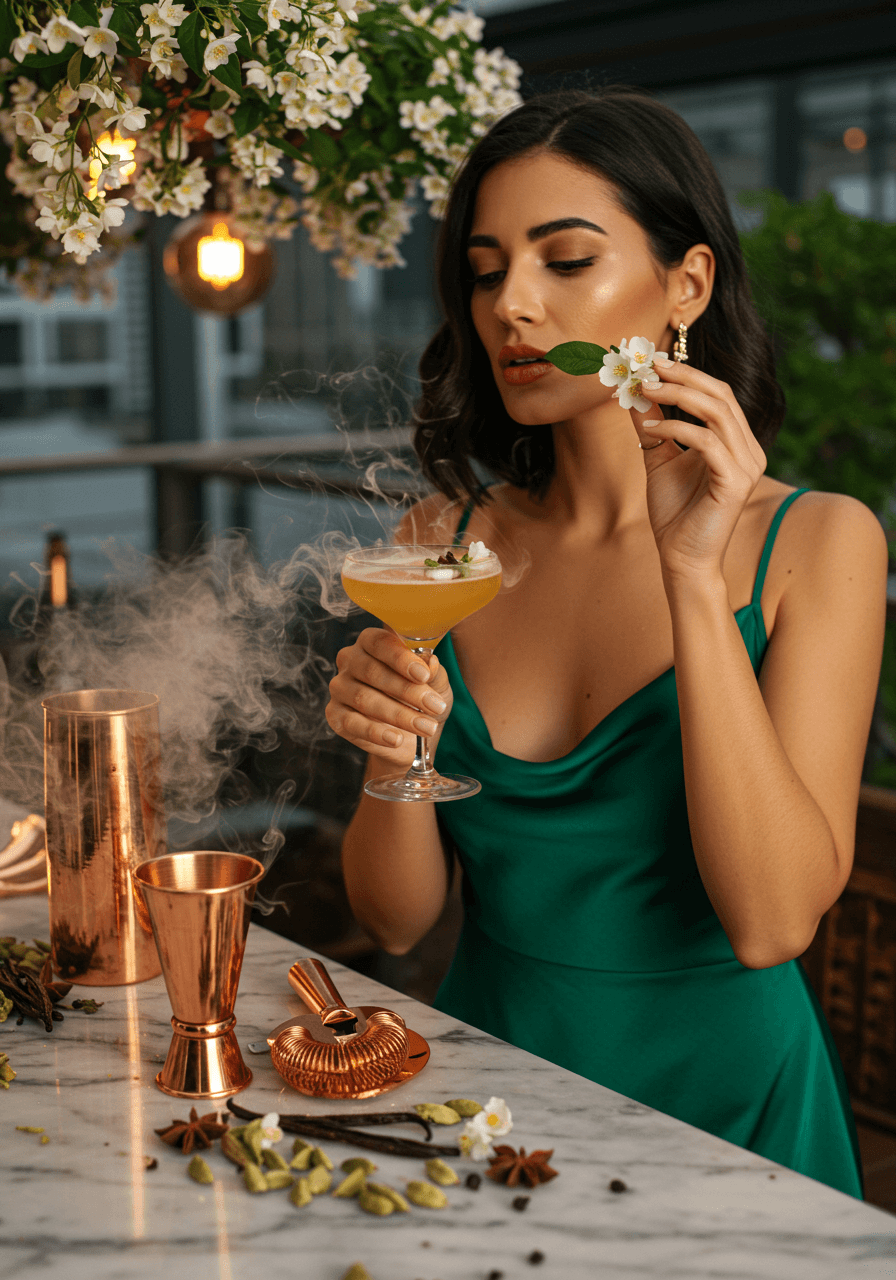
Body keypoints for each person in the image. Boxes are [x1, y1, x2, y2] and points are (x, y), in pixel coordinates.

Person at [326, 87, 888, 1199]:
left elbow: (772, 920)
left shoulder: (817, 541)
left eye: (566, 259)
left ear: (687, 284)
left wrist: (691, 572)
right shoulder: (441, 540)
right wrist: (390, 750)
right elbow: (394, 919)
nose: (510, 305)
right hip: (496, 1090)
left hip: (731, 1115)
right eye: (485, 271)